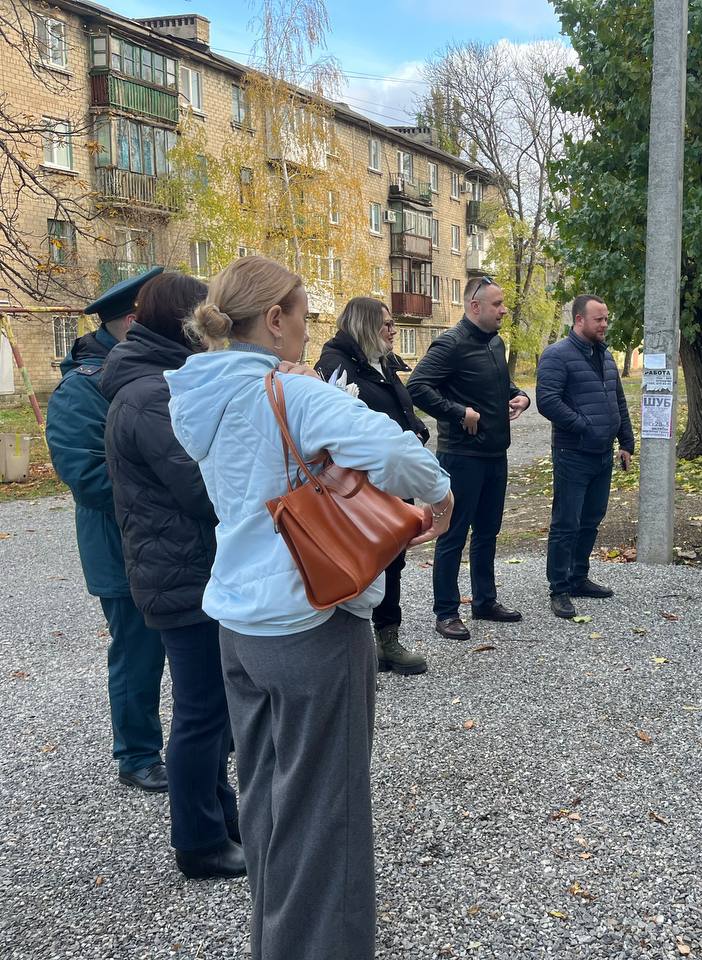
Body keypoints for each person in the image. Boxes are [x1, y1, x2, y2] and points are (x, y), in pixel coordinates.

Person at [166, 256, 454, 960]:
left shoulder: (196, 395)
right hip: (311, 622)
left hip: (238, 623)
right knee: (328, 819)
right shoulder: (291, 394)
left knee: (266, 804)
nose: (306, 329)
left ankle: (276, 943)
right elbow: (401, 454)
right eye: (300, 315)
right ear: (274, 319)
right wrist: (439, 497)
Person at [100, 271, 242, 880]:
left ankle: (220, 817)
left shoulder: (157, 382)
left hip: (184, 568)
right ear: (188, 323)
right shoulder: (151, 394)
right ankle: (200, 843)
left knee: (210, 710)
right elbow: (200, 487)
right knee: (201, 713)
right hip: (182, 573)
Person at [45, 267, 168, 793]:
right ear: (133, 321)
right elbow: (88, 478)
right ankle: (137, 753)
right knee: (138, 652)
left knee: (188, 646)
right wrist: (173, 492)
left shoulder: (144, 373)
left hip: (167, 543)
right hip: (121, 548)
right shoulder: (81, 390)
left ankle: (205, 736)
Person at [407, 276, 530, 642]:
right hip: (461, 456)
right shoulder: (451, 343)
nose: (503, 310)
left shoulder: (495, 342)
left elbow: (500, 385)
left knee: (488, 532)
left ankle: (484, 601)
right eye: (497, 304)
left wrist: (520, 395)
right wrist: (459, 412)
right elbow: (418, 387)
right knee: (452, 534)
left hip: (495, 453)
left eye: (503, 303)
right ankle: (446, 612)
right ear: (474, 307)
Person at [315, 298, 432, 676]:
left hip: (392, 477)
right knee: (360, 560)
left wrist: (416, 428)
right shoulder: (336, 363)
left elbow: (400, 408)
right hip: (359, 484)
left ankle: (388, 639)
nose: (393, 330)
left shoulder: (383, 362)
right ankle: (356, 647)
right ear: (364, 326)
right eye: (385, 324)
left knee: (393, 557)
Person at [535, 294, 635, 619]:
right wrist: (584, 426)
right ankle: (559, 588)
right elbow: (548, 401)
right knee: (567, 522)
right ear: (579, 320)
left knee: (592, 519)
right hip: (573, 453)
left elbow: (618, 399)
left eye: (606, 318)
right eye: (599, 319)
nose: (605, 324)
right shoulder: (557, 355)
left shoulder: (604, 356)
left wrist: (626, 441)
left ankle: (578, 577)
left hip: (603, 455)